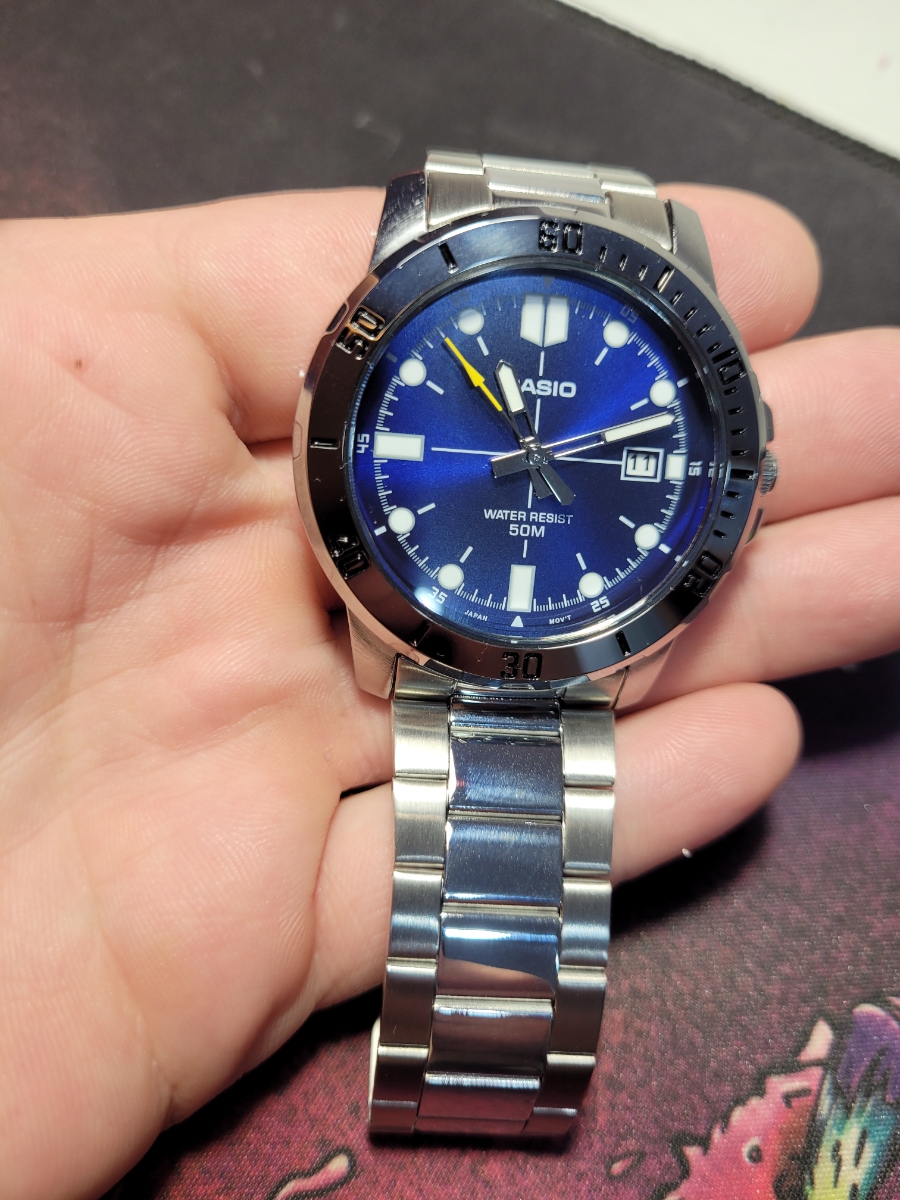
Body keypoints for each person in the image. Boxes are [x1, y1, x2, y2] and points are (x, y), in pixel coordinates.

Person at [0, 182, 897, 1200]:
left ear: (743, 473)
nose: (534, 455)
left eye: (552, 449)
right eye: (526, 448)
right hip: (448, 619)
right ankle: (481, 1082)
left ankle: (488, 1081)